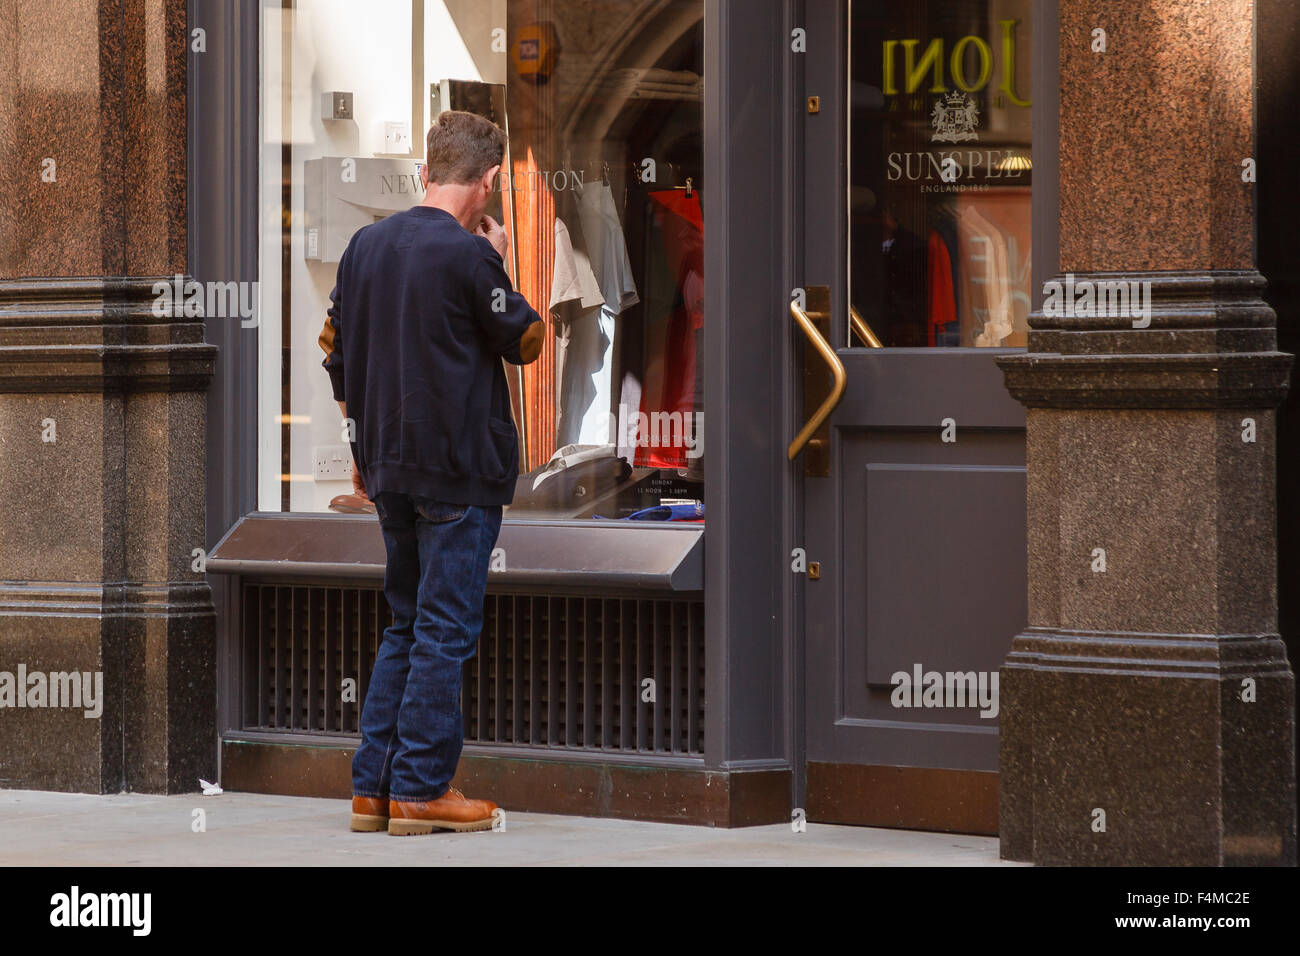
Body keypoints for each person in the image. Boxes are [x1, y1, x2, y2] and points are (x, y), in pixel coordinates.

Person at [317, 110, 544, 835]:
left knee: (407, 624)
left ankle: (372, 790)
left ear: (426, 170)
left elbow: (335, 352)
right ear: (489, 181)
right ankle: (420, 789)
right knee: (444, 629)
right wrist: (502, 264)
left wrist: (360, 448)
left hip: (387, 468)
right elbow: (528, 340)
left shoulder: (365, 247)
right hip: (455, 470)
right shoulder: (470, 255)